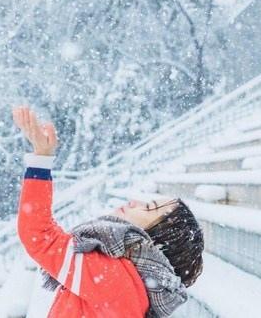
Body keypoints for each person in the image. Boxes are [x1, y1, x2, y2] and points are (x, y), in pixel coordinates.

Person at [13, 106, 204, 318]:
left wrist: (41, 160)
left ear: (157, 240)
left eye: (148, 208)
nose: (134, 202)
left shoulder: (113, 276)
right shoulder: (133, 287)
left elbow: (40, 236)